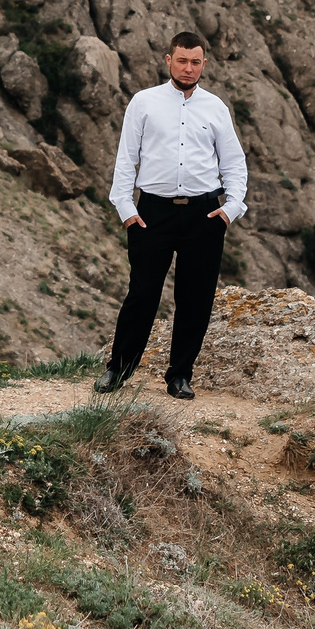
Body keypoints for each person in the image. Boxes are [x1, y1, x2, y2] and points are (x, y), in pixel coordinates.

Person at [97, 30, 248, 399]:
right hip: (152, 214)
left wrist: (230, 210)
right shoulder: (144, 102)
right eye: (182, 60)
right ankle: (118, 370)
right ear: (169, 60)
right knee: (142, 294)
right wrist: (127, 209)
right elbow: (126, 160)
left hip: (204, 215)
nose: (188, 68)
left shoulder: (215, 108)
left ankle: (179, 375)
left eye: (195, 62)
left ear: (204, 64)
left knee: (195, 298)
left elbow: (234, 165)